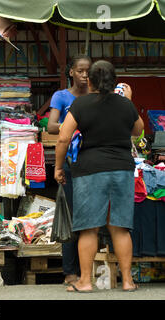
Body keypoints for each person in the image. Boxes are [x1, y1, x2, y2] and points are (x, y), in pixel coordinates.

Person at [54, 60, 144, 292]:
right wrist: (128, 102)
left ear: (91, 81)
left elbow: (63, 138)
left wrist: (58, 167)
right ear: (114, 80)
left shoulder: (81, 104)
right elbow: (138, 130)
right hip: (122, 169)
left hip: (90, 170)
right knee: (120, 227)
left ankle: (84, 282)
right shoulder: (125, 104)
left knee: (89, 228)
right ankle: (127, 281)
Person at [47, 54, 92, 286]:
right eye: (81, 71)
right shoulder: (61, 96)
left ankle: (89, 271)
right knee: (72, 215)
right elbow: (51, 125)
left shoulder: (96, 95)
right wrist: (74, 126)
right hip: (70, 161)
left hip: (93, 160)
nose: (85, 75)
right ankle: (70, 271)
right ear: (71, 72)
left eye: (88, 71)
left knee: (92, 216)